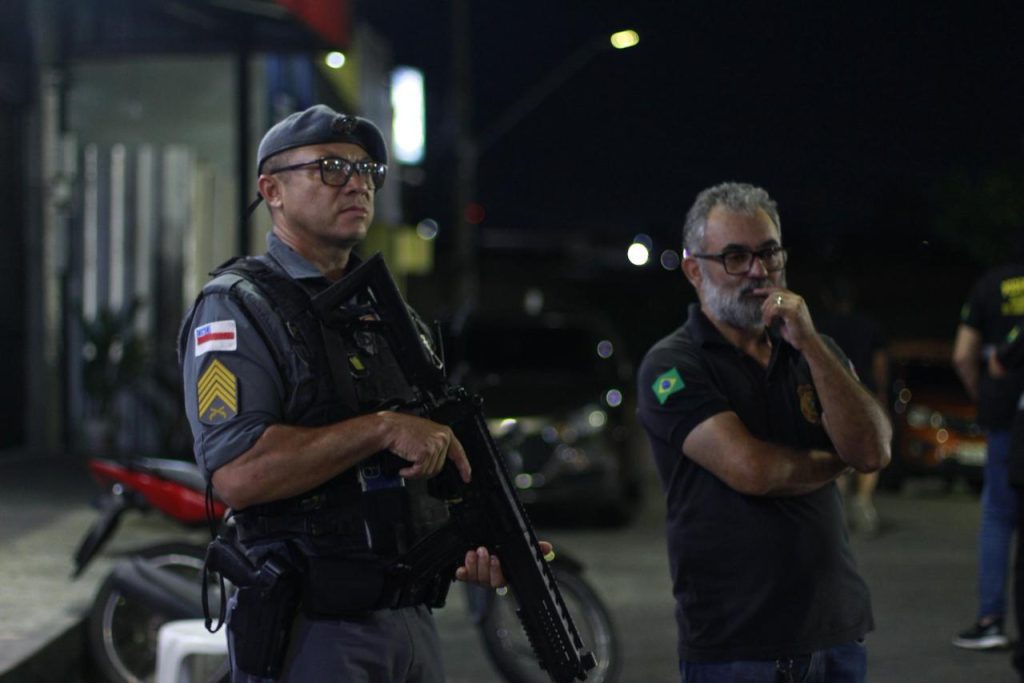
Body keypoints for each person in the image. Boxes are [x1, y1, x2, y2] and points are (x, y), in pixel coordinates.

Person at [179, 104, 533, 682]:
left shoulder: (390, 315)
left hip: (410, 619)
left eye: (367, 171)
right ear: (273, 190)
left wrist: (478, 540)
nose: (356, 184)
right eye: (329, 168)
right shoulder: (237, 308)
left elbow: (424, 458)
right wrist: (382, 428)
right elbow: (237, 472)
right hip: (312, 629)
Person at [636, 181, 891, 683]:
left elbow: (874, 448)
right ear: (694, 269)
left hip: (836, 631)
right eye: (735, 257)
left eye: (768, 253)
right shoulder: (673, 364)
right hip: (739, 646)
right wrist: (835, 461)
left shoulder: (814, 351)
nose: (758, 271)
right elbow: (752, 470)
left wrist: (811, 344)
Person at [951, 261, 1024, 650]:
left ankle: (991, 618)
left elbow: (964, 355)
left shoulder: (991, 285)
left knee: (998, 514)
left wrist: (984, 396)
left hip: (1005, 415)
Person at [815, 277, 890, 536]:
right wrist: (880, 395)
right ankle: (863, 501)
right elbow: (879, 363)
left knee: (836, 451)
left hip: (828, 395)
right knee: (869, 452)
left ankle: (838, 508)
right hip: (863, 392)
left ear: (828, 299)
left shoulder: (820, 326)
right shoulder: (868, 326)